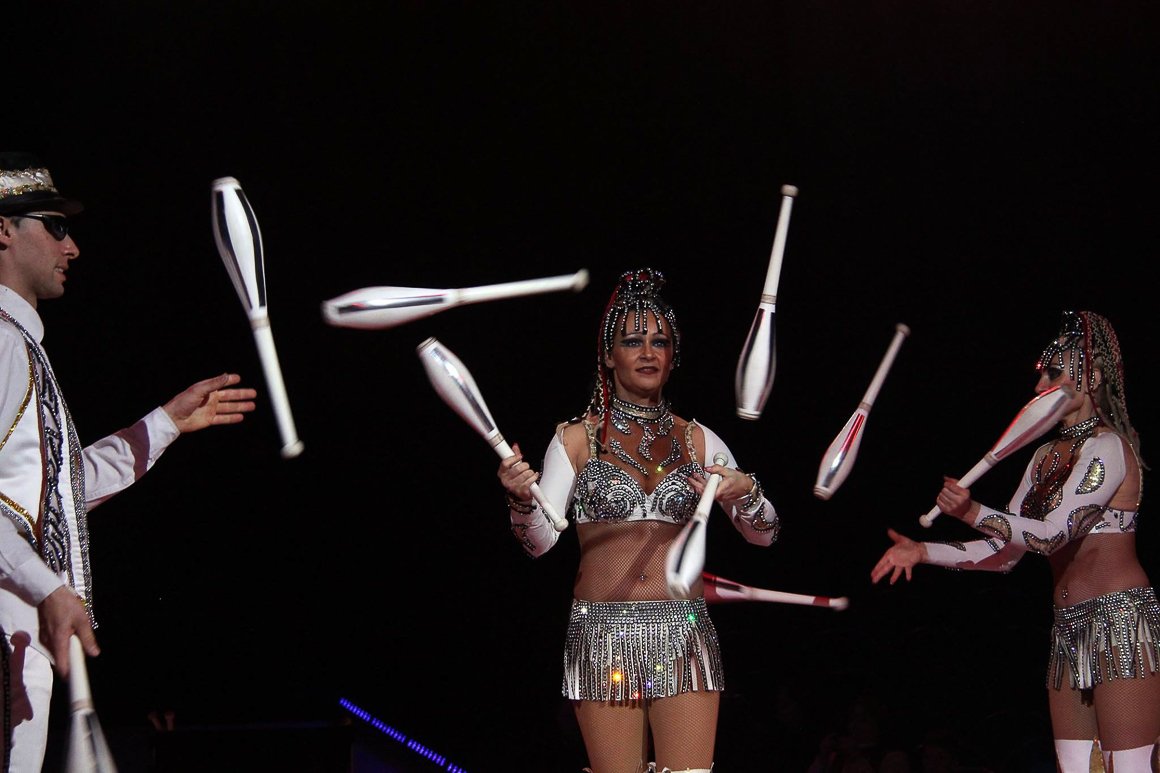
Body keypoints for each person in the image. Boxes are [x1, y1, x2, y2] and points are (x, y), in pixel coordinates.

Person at [0, 151, 258, 771]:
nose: (72, 247)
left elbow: (52, 496)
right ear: (3, 229)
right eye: (55, 226)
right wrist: (49, 586)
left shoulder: (20, 345)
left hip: (20, 633)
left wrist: (163, 425)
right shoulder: (2, 344)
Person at [497, 267, 780, 773]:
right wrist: (521, 500)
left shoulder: (699, 441)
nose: (648, 352)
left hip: (684, 633)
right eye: (632, 341)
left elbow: (765, 536)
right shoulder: (575, 440)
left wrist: (748, 492)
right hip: (603, 636)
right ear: (608, 356)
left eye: (659, 342)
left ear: (674, 356)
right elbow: (538, 543)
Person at [870, 310, 1160, 772]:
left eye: (1054, 373)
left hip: (1119, 623)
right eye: (1041, 374)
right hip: (1067, 629)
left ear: (1092, 378)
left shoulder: (1107, 448)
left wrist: (971, 511)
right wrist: (923, 551)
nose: (1040, 385)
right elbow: (1005, 553)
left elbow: (1052, 535)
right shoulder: (1043, 457)